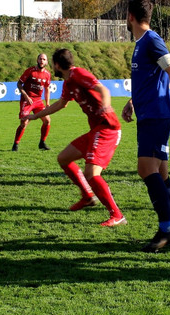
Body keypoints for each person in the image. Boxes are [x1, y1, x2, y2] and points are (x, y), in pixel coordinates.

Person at [25, 49, 125, 227]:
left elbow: (102, 89)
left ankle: (117, 215)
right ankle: (87, 196)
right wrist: (35, 115)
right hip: (96, 130)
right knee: (64, 158)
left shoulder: (78, 74)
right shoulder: (68, 82)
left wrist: (106, 106)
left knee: (92, 174)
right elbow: (61, 104)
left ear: (56, 65)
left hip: (107, 129)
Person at [121, 0, 170, 253]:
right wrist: (133, 102)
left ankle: (166, 229)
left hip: (157, 116)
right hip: (148, 113)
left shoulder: (151, 40)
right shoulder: (142, 43)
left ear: (130, 16)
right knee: (161, 174)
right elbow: (151, 80)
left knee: (145, 169)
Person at [13, 53, 52, 151]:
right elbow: (19, 84)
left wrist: (47, 103)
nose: (42, 61)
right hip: (27, 101)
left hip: (38, 101)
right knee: (24, 123)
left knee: (47, 121)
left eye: (44, 59)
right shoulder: (30, 71)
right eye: (40, 59)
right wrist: (26, 96)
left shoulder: (47, 74)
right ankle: (15, 144)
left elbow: (47, 89)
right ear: (37, 60)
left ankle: (42, 143)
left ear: (46, 62)